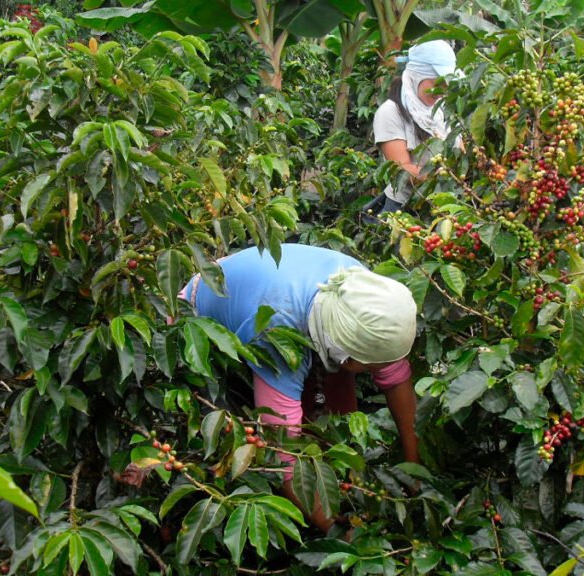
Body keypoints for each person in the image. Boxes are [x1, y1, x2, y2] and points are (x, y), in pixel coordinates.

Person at [177, 243, 419, 532]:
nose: (373, 373)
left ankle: (339, 476)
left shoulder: (367, 300)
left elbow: (394, 376)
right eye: (367, 366)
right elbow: (283, 451)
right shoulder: (280, 330)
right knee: (228, 442)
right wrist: (337, 533)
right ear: (341, 348)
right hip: (198, 319)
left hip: (260, 290)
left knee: (333, 419)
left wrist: (413, 472)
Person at [366, 39, 464, 217]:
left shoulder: (442, 109)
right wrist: (444, 176)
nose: (442, 91)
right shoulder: (390, 112)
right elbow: (401, 170)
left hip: (446, 204)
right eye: (437, 84)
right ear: (416, 77)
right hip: (406, 209)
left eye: (446, 85)